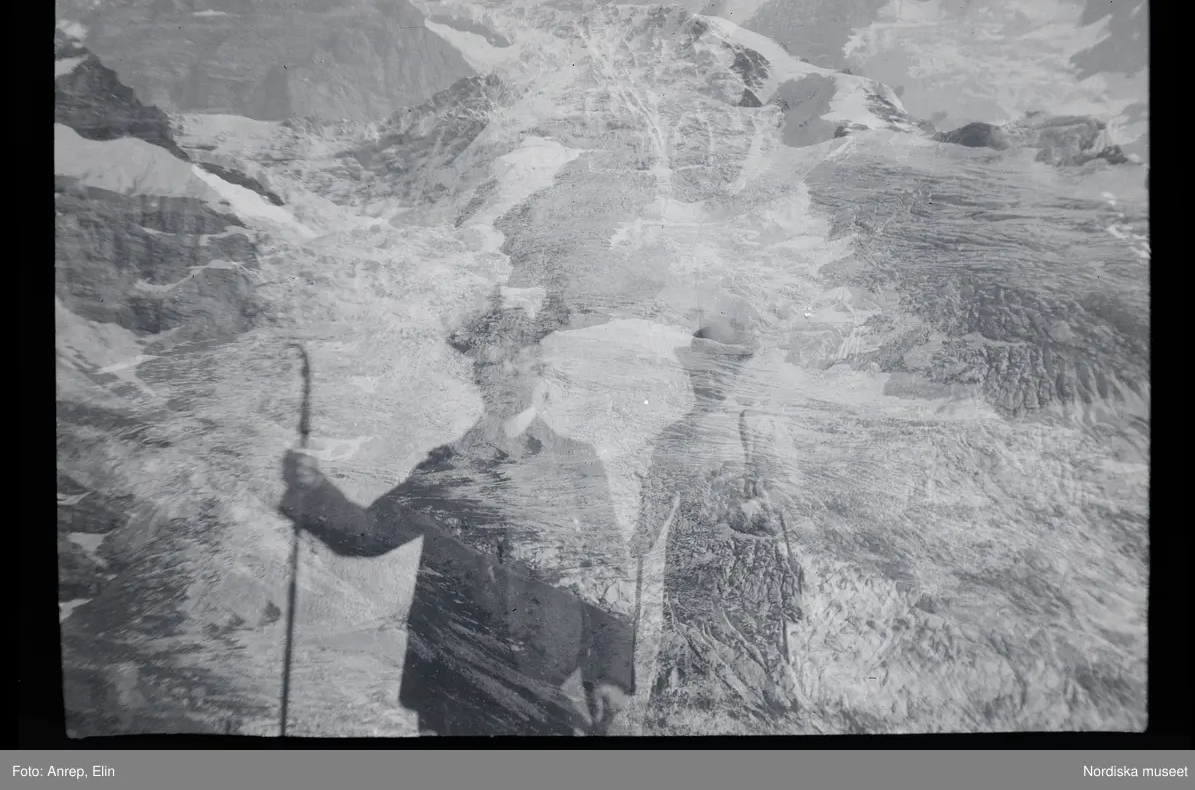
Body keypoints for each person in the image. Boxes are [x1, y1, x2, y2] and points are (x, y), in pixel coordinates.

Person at [279, 295, 635, 736]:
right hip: (454, 689)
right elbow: (368, 534)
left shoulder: (576, 463)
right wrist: (313, 489)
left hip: (550, 688)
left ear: (537, 366)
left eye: (516, 359)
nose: (504, 372)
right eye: (490, 362)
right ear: (476, 374)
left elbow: (608, 573)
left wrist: (610, 674)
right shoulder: (446, 467)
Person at [630, 318, 804, 732]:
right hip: (689, 560)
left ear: (737, 371)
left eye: (719, 370)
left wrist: (752, 505)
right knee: (688, 649)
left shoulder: (758, 425)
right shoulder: (674, 435)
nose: (707, 379)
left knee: (749, 654)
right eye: (700, 371)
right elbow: (657, 496)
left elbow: (789, 492)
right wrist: (643, 535)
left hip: (747, 566)